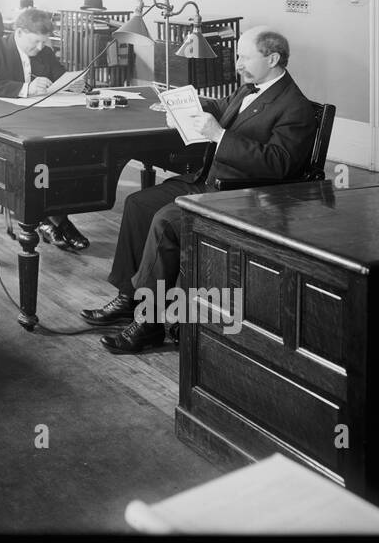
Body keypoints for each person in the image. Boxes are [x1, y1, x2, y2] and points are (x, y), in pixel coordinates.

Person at [85, 28, 318, 352]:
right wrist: (183, 104)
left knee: (167, 221)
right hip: (208, 181)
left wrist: (220, 135)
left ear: (273, 58)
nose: (237, 64)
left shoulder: (295, 107)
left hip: (242, 194)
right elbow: (221, 107)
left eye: (244, 57)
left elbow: (279, 164)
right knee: (139, 204)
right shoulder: (251, 87)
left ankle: (148, 324)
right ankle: (129, 296)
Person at [0, 8, 91, 252]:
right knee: (40, 160)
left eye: (44, 42)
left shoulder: (45, 53)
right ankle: (56, 221)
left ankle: (49, 219)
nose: (40, 47)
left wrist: (75, 84)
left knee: (61, 156)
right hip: (3, 125)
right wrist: (26, 88)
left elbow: (60, 77)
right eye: (36, 41)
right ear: (19, 32)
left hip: (39, 124)